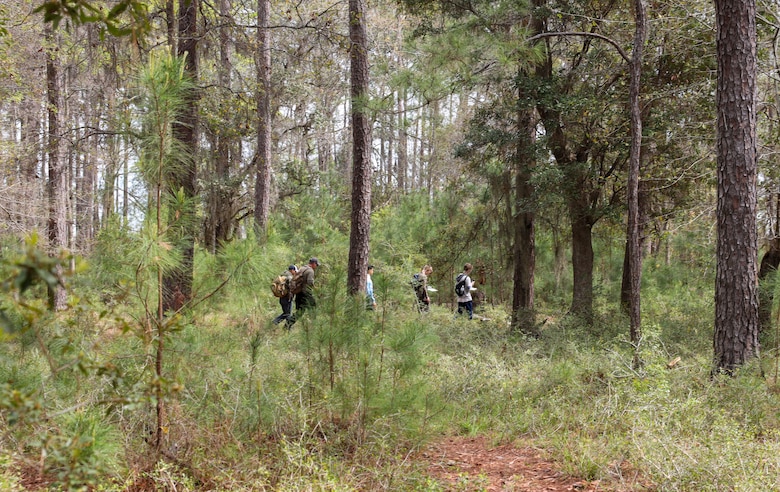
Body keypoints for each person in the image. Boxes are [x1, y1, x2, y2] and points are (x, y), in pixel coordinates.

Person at [290, 257, 319, 325]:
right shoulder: (310, 271)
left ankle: (288, 324)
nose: (316, 266)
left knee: (300, 311)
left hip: (299, 293)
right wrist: (315, 289)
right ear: (313, 264)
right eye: (316, 265)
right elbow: (310, 282)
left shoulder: (302, 268)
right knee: (313, 308)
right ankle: (314, 326)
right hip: (306, 293)